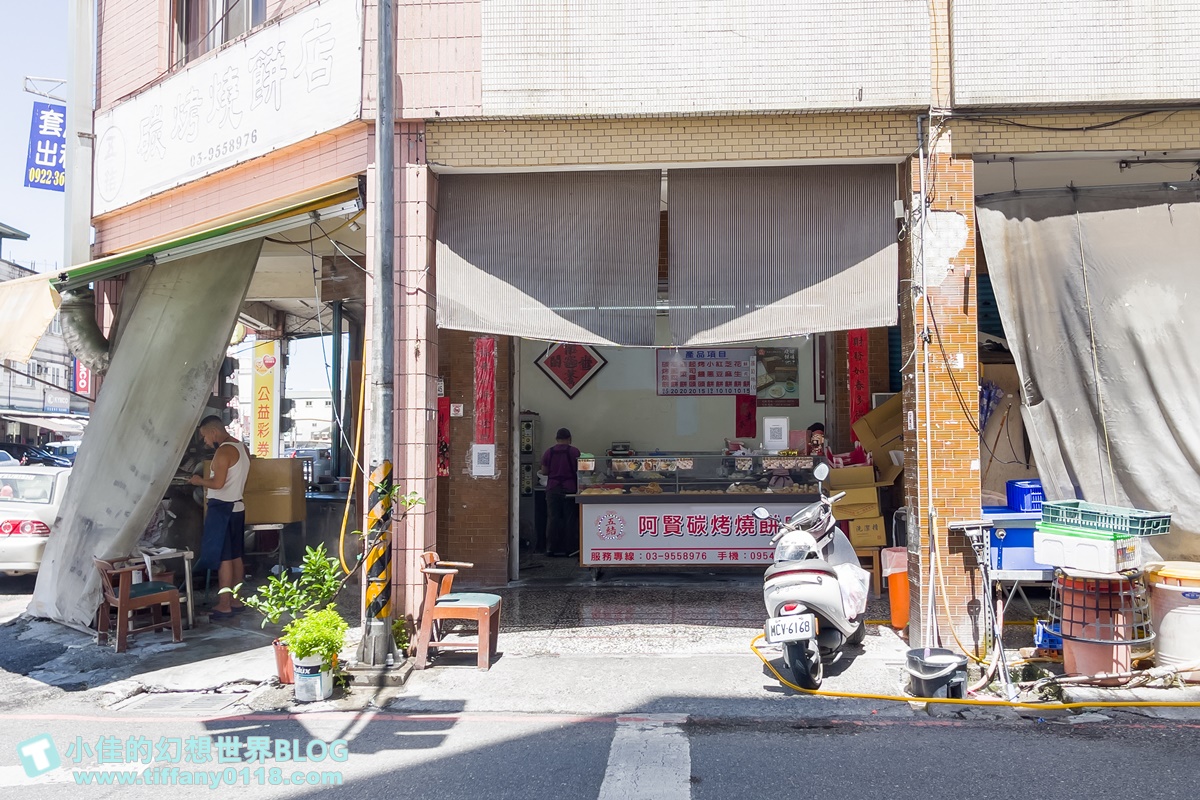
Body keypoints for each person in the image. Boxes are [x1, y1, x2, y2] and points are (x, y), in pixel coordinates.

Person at [189, 415, 250, 619]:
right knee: (236, 556)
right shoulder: (242, 448)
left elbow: (218, 484)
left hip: (222, 509)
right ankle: (236, 599)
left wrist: (199, 481)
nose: (206, 441)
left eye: (205, 436)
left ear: (213, 432)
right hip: (237, 506)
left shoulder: (224, 451)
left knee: (224, 557)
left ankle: (224, 604)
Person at [540, 427, 580, 557]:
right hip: (570, 488)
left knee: (553, 518)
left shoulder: (548, 452)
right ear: (570, 439)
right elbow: (580, 469)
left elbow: (544, 471)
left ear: (556, 439)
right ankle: (571, 548)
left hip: (552, 488)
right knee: (570, 519)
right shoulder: (574, 451)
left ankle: (551, 548)